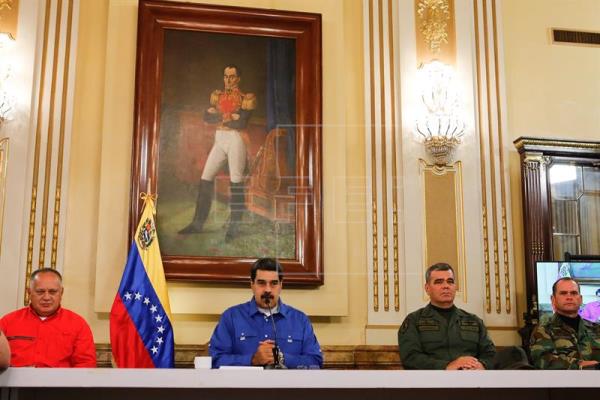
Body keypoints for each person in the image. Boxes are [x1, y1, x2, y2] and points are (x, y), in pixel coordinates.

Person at [179, 65, 256, 241]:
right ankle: (197, 224)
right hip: (220, 139)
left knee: (236, 182)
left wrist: (220, 116)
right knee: (205, 178)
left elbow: (241, 124)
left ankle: (234, 228)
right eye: (226, 76)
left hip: (236, 139)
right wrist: (229, 117)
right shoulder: (217, 96)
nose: (228, 80)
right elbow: (207, 118)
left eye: (232, 76)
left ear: (238, 78)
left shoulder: (246, 98)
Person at [209, 258, 323, 369]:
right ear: (252, 284)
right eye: (261, 283)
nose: (268, 290)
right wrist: (252, 360)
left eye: (274, 283)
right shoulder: (231, 317)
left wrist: (281, 358)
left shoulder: (300, 320)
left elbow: (315, 362)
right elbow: (215, 360)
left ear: (281, 285)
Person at [398, 263, 496, 369]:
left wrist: (482, 365)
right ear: (427, 288)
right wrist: (447, 366)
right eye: (439, 282)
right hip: (431, 378)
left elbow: (491, 354)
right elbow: (410, 357)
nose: (446, 286)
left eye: (450, 281)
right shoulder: (414, 320)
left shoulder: (474, 321)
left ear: (455, 286)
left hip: (471, 377)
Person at [0, 268, 96, 367]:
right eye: (40, 292)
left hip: (61, 377)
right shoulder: (7, 322)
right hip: (15, 377)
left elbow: (86, 364)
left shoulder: (78, 324)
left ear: (61, 293)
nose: (46, 297)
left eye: (52, 292)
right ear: (29, 292)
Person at [530, 277, 600, 369]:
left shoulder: (596, 328)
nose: (569, 297)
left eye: (574, 293)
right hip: (562, 378)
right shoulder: (543, 330)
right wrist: (581, 365)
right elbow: (543, 361)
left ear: (580, 299)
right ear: (553, 299)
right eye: (563, 293)